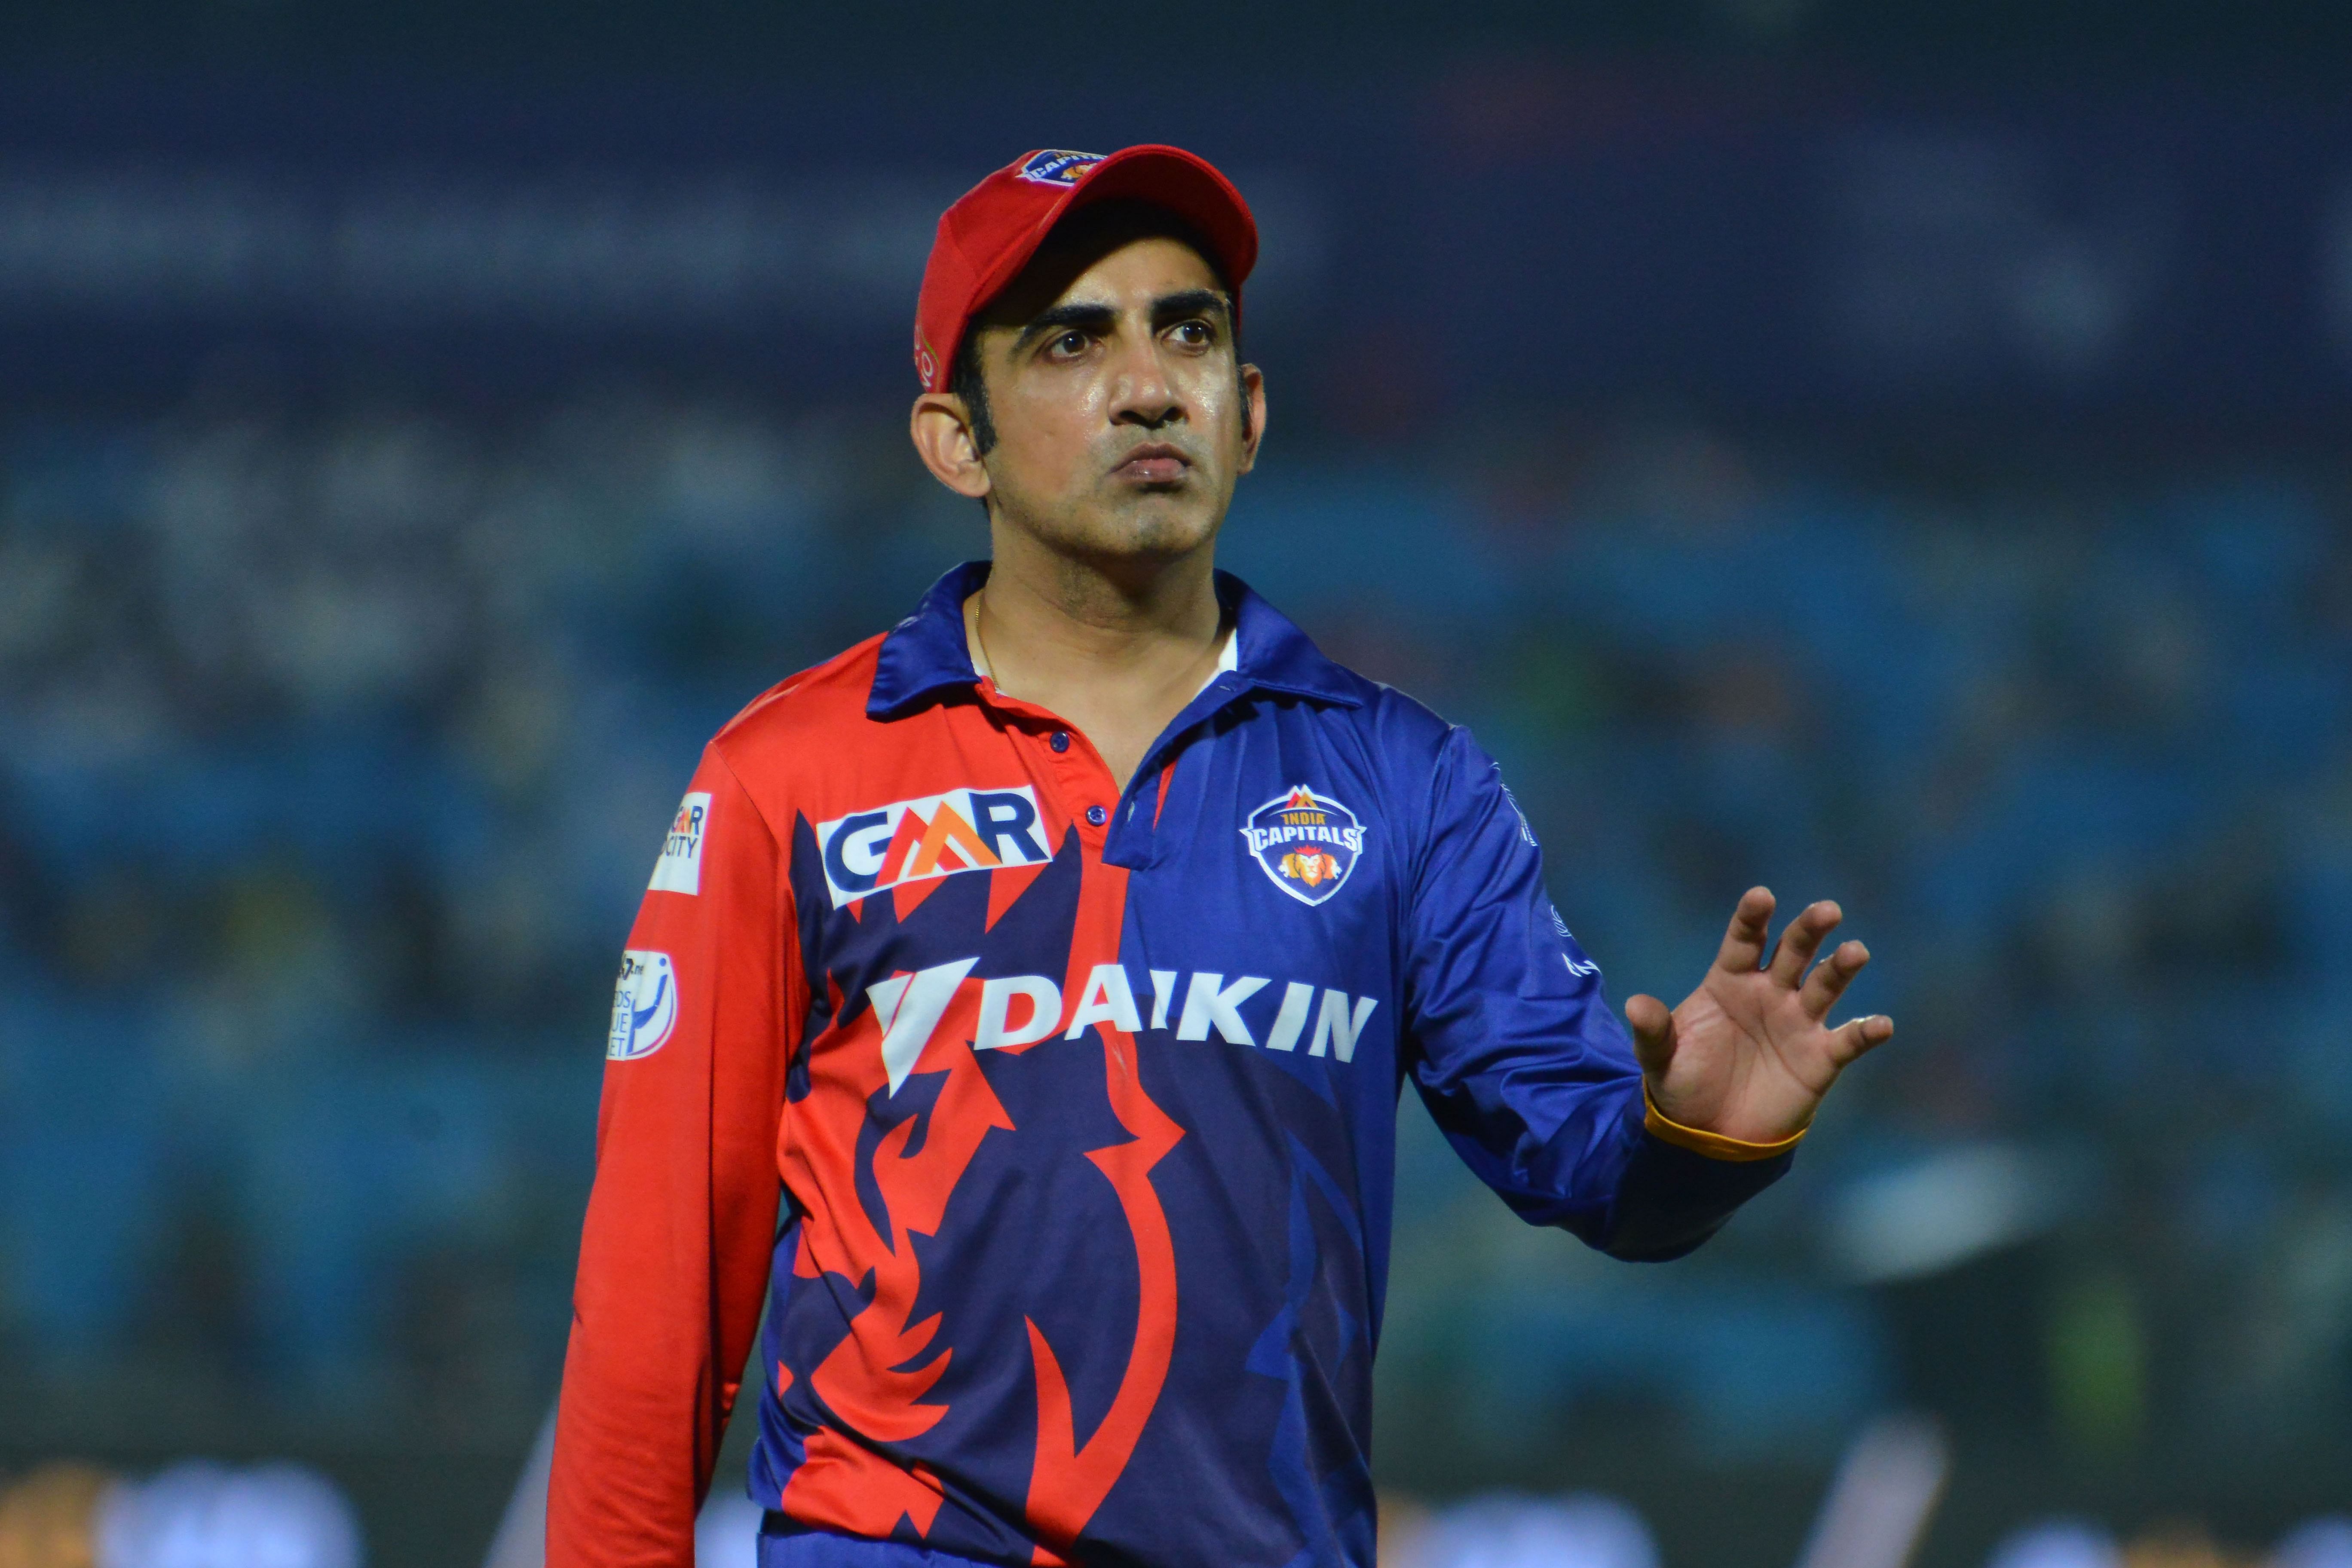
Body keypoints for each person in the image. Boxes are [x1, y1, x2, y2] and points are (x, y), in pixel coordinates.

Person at [546, 144, 1894, 1568]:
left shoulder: (1410, 782)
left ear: (1247, 414)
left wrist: (1696, 1142)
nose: (1149, 387)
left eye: (1187, 333)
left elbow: (1593, 1167)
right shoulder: (790, 777)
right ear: (955, 441)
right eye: (1071, 344)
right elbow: (657, 1281)